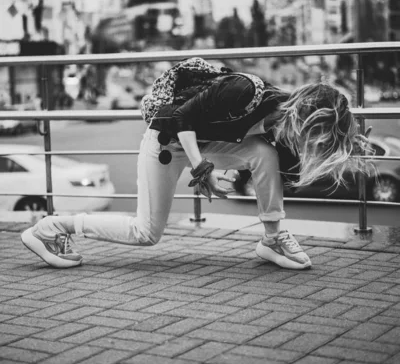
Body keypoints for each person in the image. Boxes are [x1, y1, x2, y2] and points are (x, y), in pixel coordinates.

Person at [21, 59, 372, 271]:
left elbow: (282, 175)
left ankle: (273, 239)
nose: (310, 145)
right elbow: (180, 117)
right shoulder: (246, 90)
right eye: (315, 137)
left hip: (205, 144)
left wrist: (349, 149)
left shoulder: (283, 133)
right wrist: (201, 168)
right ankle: (51, 228)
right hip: (166, 138)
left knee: (262, 155)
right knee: (146, 233)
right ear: (303, 116)